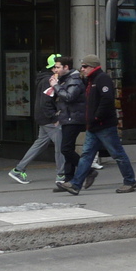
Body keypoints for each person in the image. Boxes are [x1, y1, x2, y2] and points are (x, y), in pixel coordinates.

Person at [58, 55, 136, 195]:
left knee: (117, 154)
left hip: (104, 125)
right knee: (86, 155)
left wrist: (96, 117)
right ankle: (76, 184)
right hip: (94, 126)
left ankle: (130, 182)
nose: (82, 69)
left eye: (84, 66)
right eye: (82, 66)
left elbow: (107, 100)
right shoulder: (90, 80)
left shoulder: (102, 79)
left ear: (93, 67)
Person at [8, 53, 66, 185]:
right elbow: (46, 101)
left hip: (43, 117)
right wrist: (54, 117)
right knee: (60, 145)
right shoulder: (49, 80)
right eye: (59, 66)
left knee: (40, 144)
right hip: (49, 118)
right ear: (54, 67)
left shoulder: (44, 78)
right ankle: (61, 174)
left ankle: (19, 169)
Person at [53, 55, 86, 185]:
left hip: (74, 118)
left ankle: (87, 170)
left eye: (58, 67)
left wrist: (56, 86)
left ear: (66, 67)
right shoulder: (65, 79)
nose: (55, 70)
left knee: (66, 149)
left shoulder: (74, 79)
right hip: (67, 117)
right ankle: (68, 178)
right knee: (68, 148)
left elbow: (69, 97)